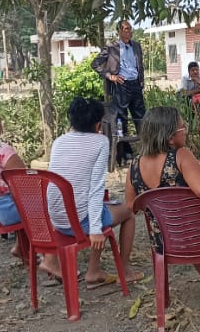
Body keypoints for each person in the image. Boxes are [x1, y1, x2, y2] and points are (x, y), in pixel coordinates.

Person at [125, 106, 200, 297]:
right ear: (169, 137)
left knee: (181, 225)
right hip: (199, 236)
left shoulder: (134, 165)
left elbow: (131, 206)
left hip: (164, 240)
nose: (186, 130)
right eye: (183, 127)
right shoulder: (180, 155)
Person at [45, 97, 144, 287]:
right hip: (79, 222)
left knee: (101, 207)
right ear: (98, 124)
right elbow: (96, 188)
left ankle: (91, 269)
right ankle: (122, 271)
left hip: (56, 219)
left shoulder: (59, 141)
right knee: (128, 212)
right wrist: (96, 230)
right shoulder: (100, 141)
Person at [92, 20, 146, 154]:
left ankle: (146, 149)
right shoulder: (112, 47)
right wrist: (110, 76)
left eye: (130, 28)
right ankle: (125, 152)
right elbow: (95, 63)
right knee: (121, 119)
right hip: (121, 86)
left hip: (136, 85)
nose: (129, 31)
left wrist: (141, 81)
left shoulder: (136, 46)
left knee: (141, 117)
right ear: (119, 31)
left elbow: (140, 65)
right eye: (126, 29)